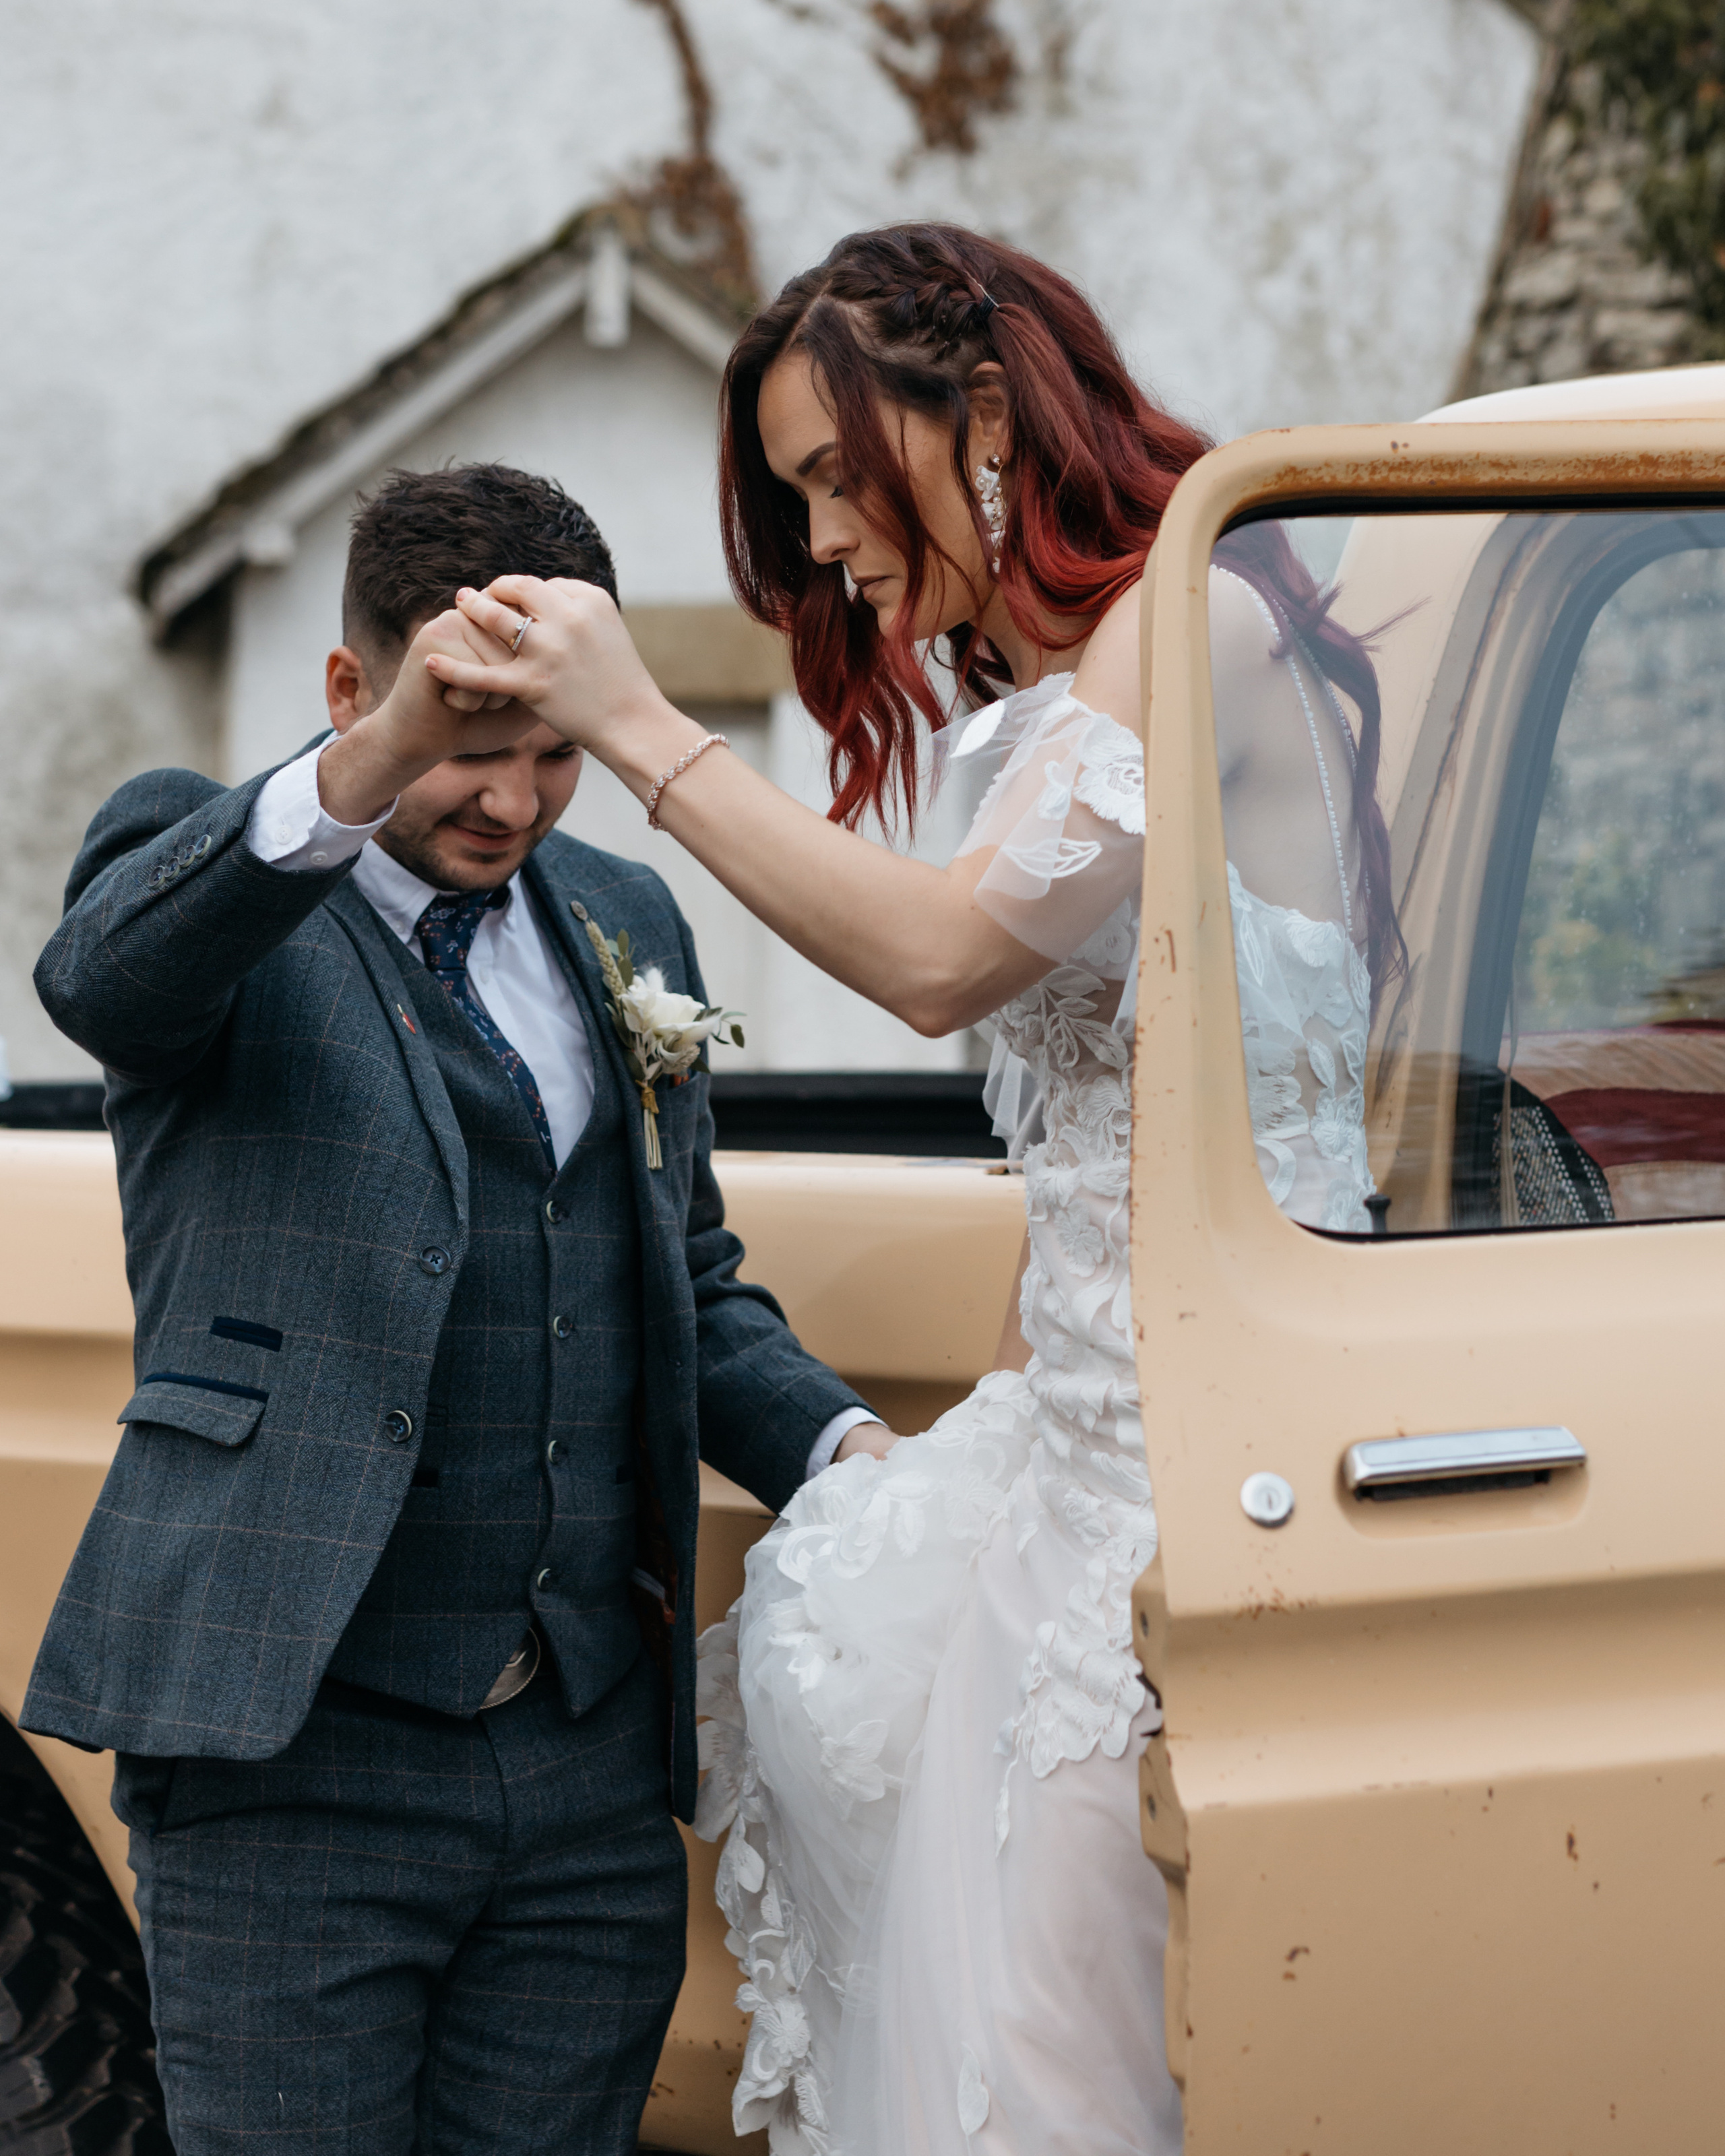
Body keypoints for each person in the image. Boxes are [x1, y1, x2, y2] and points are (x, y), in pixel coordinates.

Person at [431, 226, 1402, 2153]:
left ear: (983, 415)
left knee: (1045, 2058)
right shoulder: (1071, 681)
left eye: (827, 477)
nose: (817, 543)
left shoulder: (1191, 622)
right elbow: (1099, 1138)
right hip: (1078, 1458)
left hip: (1214, 1464)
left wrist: (640, 726)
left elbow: (949, 959)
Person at [21, 462, 896, 2156]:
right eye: (465, 742)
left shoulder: (626, 916)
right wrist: (371, 763)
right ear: (351, 685)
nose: (510, 800)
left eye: (553, 751)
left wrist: (856, 1457)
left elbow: (680, 1281)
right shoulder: (210, 857)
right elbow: (102, 981)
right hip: (292, 1757)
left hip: (582, 1773)